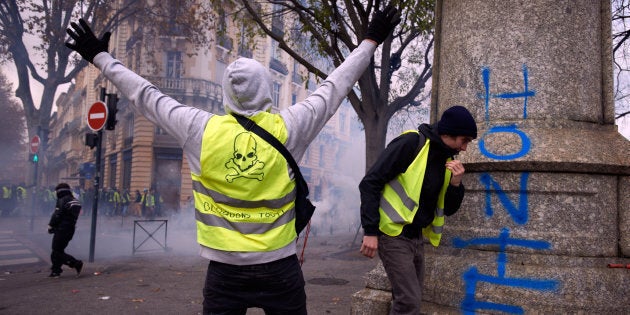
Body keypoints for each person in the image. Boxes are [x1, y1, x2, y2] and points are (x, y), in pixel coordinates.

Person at [65, 5, 400, 313]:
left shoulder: (200, 129)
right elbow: (335, 86)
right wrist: (370, 39)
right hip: (279, 269)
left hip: (224, 274)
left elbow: (145, 94)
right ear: (267, 90)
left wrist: (99, 56)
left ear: (227, 93)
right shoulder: (289, 127)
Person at [358, 105, 478, 314]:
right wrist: (370, 231)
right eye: (464, 140)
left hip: (417, 239)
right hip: (393, 234)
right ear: (448, 133)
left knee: (408, 299)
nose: (465, 147)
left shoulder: (448, 160)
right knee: (409, 302)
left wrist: (456, 184)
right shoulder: (411, 143)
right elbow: (370, 183)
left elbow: (448, 209)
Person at [47, 183, 83, 278]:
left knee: (56, 251)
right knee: (58, 250)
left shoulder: (63, 199)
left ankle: (75, 263)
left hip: (62, 229)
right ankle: (56, 271)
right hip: (70, 229)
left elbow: (57, 214)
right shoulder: (75, 200)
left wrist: (51, 225)